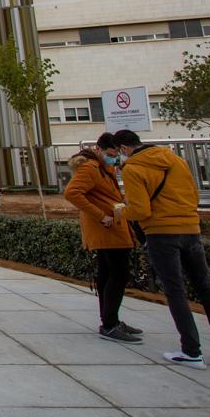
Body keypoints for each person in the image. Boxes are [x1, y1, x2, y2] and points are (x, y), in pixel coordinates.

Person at [116, 129, 210, 369]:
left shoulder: (133, 169)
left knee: (176, 291)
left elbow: (140, 211)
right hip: (191, 229)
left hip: (162, 233)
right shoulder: (176, 161)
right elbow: (193, 195)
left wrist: (121, 211)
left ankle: (191, 351)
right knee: (205, 288)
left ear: (123, 149)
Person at [63, 132, 142, 343]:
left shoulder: (103, 166)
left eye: (116, 153)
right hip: (106, 229)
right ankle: (109, 323)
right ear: (99, 149)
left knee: (108, 274)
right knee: (117, 274)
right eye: (110, 153)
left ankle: (110, 320)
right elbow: (72, 193)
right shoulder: (90, 167)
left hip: (112, 228)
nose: (114, 157)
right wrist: (101, 216)